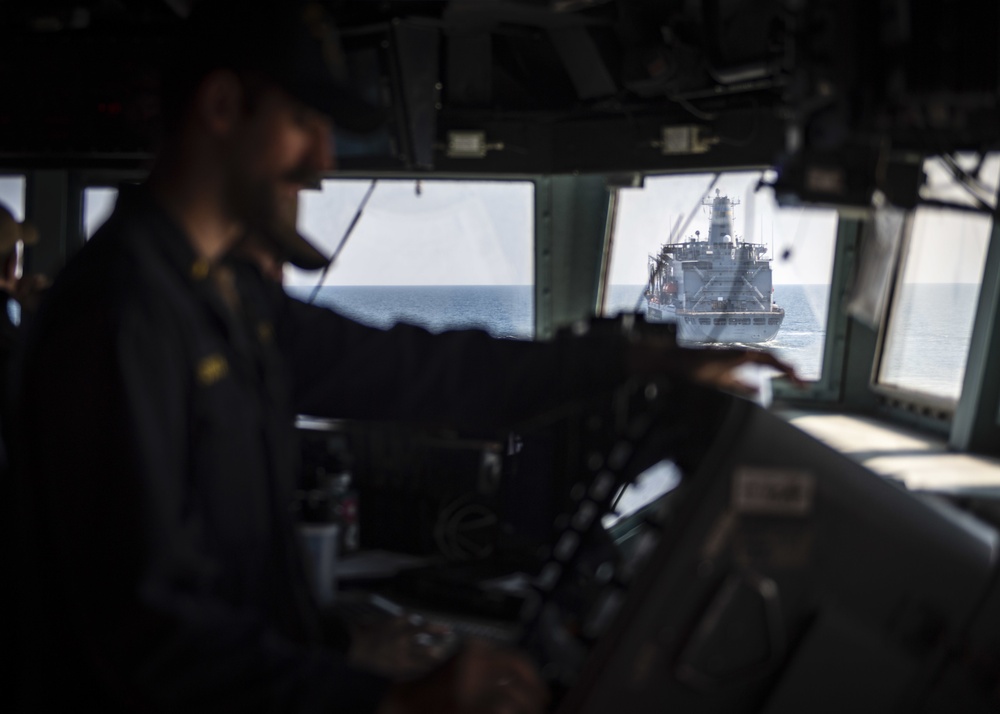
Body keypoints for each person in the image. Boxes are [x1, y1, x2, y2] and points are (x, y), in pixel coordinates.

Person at [9, 2, 798, 712]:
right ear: (221, 107)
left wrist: (629, 362)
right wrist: (397, 703)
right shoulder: (122, 313)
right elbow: (151, 640)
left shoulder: (224, 300)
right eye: (303, 122)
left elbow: (417, 372)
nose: (323, 160)